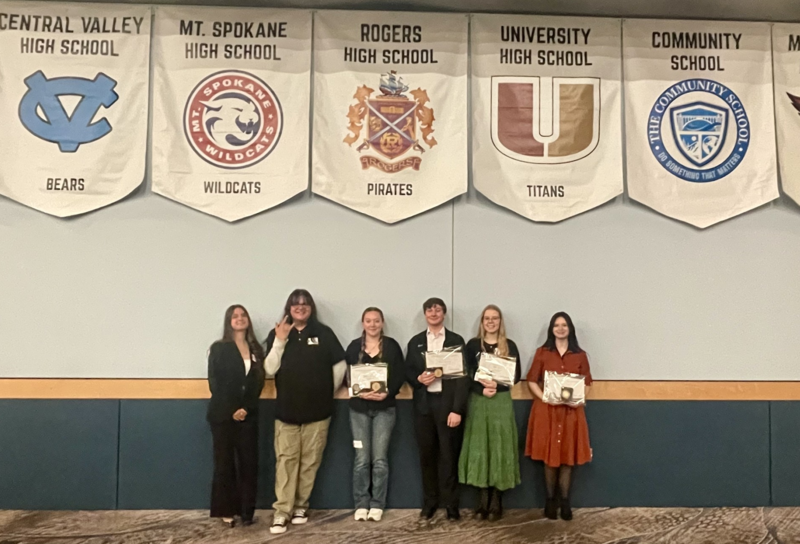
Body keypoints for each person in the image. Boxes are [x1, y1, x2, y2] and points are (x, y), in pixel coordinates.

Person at [264, 289, 346, 534]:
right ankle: (282, 512)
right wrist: (280, 341)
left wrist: (327, 391)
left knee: (310, 462)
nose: (300, 307)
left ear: (311, 308)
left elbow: (340, 364)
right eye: (295, 303)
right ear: (289, 308)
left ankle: (301, 506)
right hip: (286, 411)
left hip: (319, 412)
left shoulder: (324, 333)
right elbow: (269, 370)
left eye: (305, 303)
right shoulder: (278, 333)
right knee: (286, 462)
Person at [525, 312, 593, 521]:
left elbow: (587, 382)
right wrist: (545, 398)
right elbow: (531, 380)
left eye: (564, 325)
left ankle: (565, 501)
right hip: (548, 412)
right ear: (551, 329)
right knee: (549, 456)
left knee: (567, 457)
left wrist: (579, 399)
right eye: (557, 325)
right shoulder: (542, 353)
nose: (561, 328)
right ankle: (550, 500)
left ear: (570, 328)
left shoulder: (580, 355)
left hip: (571, 413)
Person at [405, 297, 468, 520]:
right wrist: (418, 378)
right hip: (424, 406)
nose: (433, 313)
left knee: (449, 456)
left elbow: (462, 378)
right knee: (427, 456)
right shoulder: (415, 342)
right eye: (429, 310)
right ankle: (430, 502)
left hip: (447, 405)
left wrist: (457, 409)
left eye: (438, 310)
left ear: (444, 313)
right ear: (425, 314)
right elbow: (408, 371)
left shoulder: (456, 340)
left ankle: (451, 504)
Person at [459, 305, 521, 522]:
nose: (491, 322)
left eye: (495, 318)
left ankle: (497, 501)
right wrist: (481, 389)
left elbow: (516, 375)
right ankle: (482, 499)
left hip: (501, 402)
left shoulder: (509, 345)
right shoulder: (472, 345)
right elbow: (465, 373)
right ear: (482, 322)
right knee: (481, 447)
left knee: (499, 447)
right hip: (479, 401)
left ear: (500, 321)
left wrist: (498, 386)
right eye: (487, 318)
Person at [207, 304, 266, 528]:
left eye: (243, 315)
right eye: (235, 316)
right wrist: (232, 409)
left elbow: (257, 383)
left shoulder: (256, 349)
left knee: (249, 464)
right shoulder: (219, 348)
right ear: (228, 321)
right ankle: (227, 511)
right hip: (222, 415)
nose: (239, 319)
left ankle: (247, 511)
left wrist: (246, 408)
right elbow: (215, 382)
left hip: (248, 415)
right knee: (225, 464)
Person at [345, 307, 406, 522]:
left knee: (379, 460)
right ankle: (361, 503)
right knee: (361, 460)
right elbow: (347, 377)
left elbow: (399, 375)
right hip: (358, 410)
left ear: (382, 323)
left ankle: (377, 504)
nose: (372, 324)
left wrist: (388, 393)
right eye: (368, 321)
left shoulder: (392, 346)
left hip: (385, 410)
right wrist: (358, 392)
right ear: (363, 323)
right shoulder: (354, 347)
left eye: (376, 321)